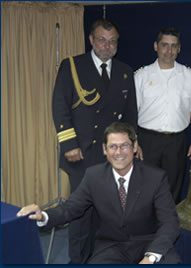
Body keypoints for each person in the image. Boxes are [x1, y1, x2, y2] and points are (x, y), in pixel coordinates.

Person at [17, 122, 180, 264]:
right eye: (113, 146)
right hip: (112, 246)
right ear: (104, 149)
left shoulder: (156, 177)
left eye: (124, 145)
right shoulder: (93, 176)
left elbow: (170, 222)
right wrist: (43, 215)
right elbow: (70, 208)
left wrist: (150, 258)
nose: (118, 152)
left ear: (134, 147)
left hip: (148, 243)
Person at [51, 19, 139, 263]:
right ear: (91, 40)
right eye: (101, 39)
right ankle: (77, 260)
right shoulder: (72, 66)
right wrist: (69, 144)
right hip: (81, 152)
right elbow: (60, 106)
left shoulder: (124, 71)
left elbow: (130, 113)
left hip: (113, 155)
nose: (106, 45)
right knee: (81, 212)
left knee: (108, 211)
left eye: (112, 41)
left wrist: (131, 144)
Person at [134, 27, 191, 203]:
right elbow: (131, 111)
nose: (169, 51)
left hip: (176, 142)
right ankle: (145, 227)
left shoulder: (188, 76)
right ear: (156, 46)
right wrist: (134, 141)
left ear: (179, 49)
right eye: (164, 45)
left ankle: (167, 227)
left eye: (173, 46)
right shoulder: (141, 76)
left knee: (173, 188)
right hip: (147, 141)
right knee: (144, 187)